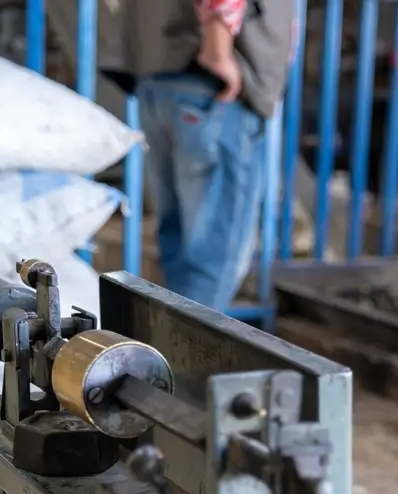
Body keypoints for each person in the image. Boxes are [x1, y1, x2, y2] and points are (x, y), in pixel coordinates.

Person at [113, 0, 294, 311]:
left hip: (160, 74)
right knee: (212, 260)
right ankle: (185, 358)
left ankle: (169, 353)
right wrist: (218, 49)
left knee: (181, 250)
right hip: (209, 81)